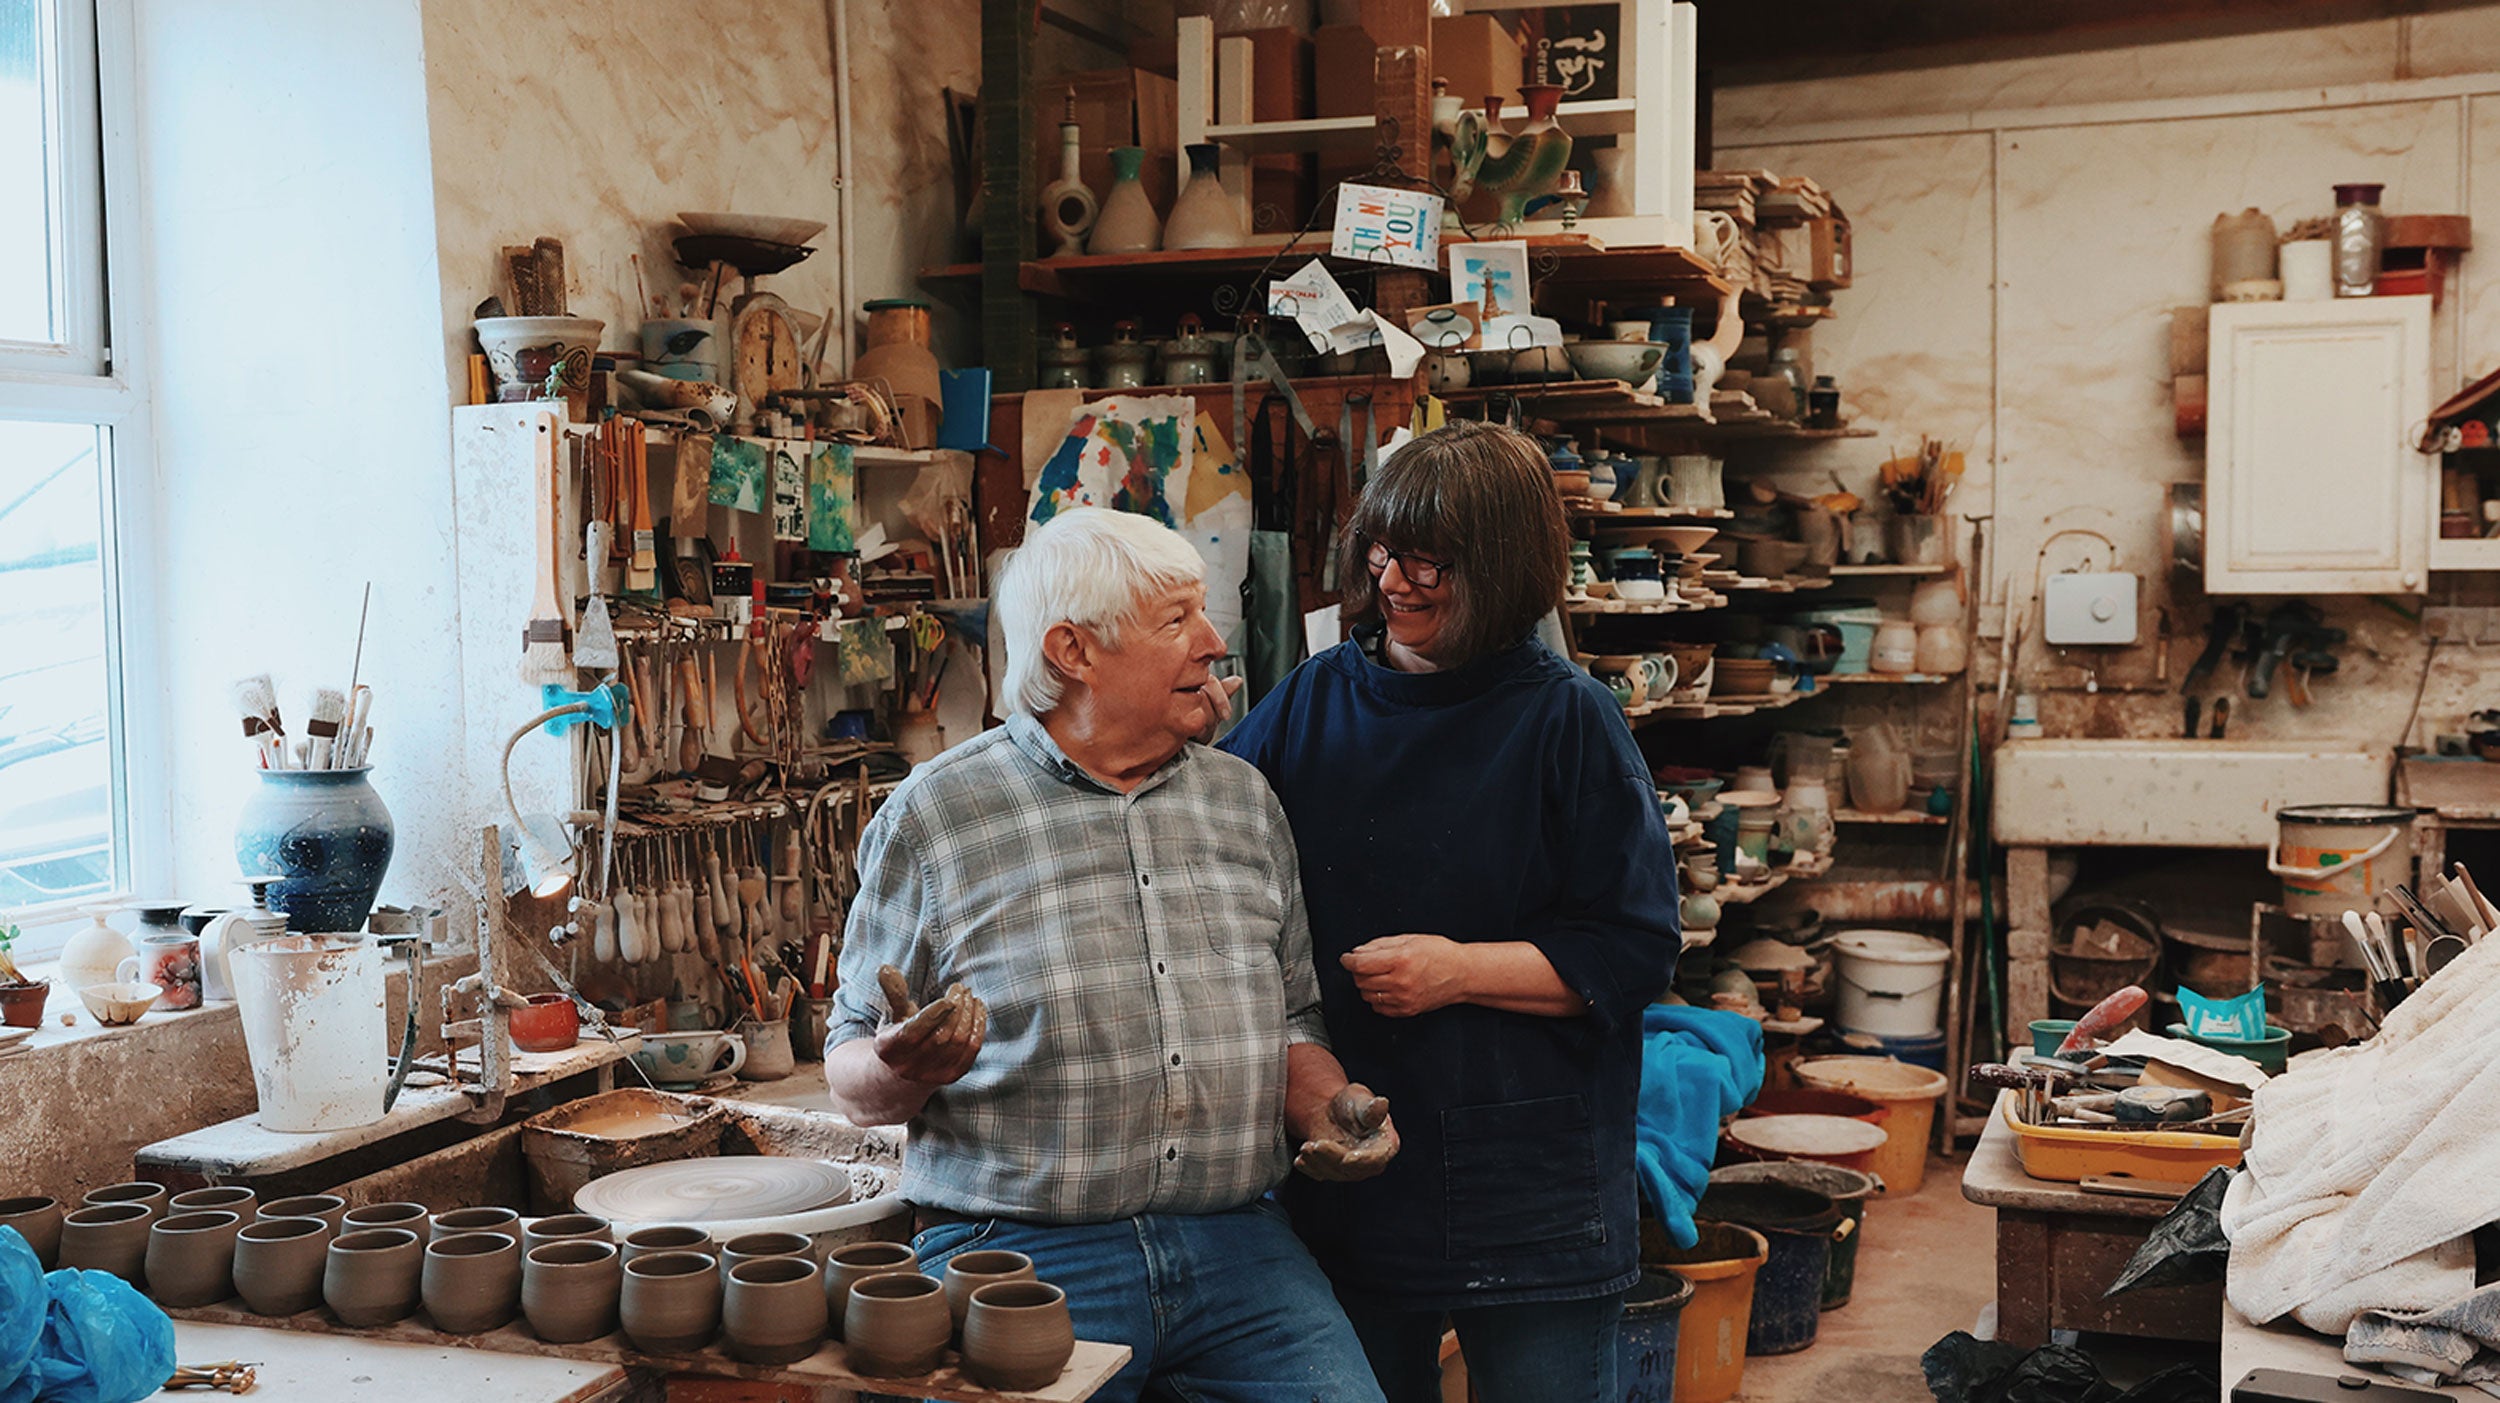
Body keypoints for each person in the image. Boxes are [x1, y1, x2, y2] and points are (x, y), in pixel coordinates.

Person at [824, 506, 1398, 1403]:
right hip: (1017, 1251)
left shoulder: (1243, 803)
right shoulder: (937, 815)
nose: (1213, 643)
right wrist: (902, 1065)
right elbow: (851, 1073)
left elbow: (1288, 1017)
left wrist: (1330, 1107)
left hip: (1236, 1244)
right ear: (1072, 651)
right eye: (1176, 620)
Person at [1217, 419, 1683, 1403]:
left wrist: (1457, 969)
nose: (1395, 578)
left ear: (1507, 565)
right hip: (1355, 1165)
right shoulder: (1310, 705)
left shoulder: (1569, 719)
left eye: (1432, 559)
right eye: (1384, 548)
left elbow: (1635, 950)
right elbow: (1209, 849)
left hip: (1533, 1179)